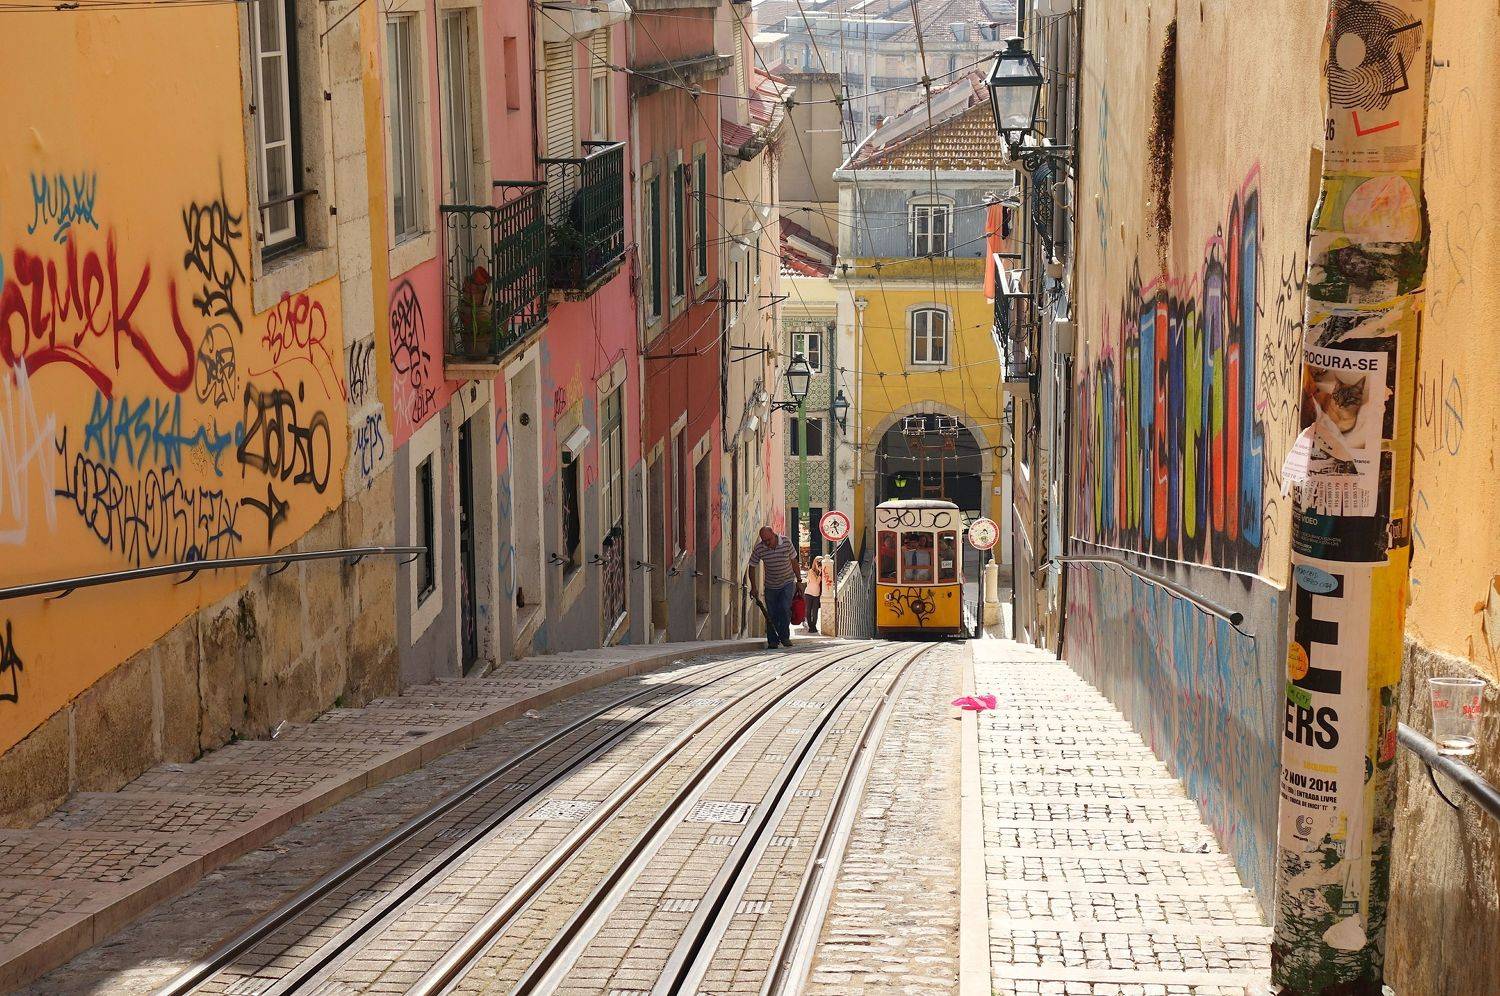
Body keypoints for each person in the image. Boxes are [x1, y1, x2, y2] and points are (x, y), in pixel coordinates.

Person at [747, 525, 801, 650]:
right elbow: (751, 566)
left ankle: (784, 637)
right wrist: (754, 587)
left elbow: (794, 561)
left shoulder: (786, 542)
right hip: (771, 585)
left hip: (787, 582)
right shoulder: (760, 548)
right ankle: (773, 641)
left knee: (784, 608)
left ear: (774, 535)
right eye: (764, 541)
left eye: (768, 540)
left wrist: (799, 581)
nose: (766, 543)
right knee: (771, 614)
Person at [803, 555, 825, 633]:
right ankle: (810, 627)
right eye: (818, 562)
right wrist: (820, 573)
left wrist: (821, 571)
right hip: (808, 594)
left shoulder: (822, 572)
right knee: (808, 611)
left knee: (815, 612)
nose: (819, 563)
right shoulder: (811, 571)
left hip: (816, 594)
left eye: (821, 562)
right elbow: (816, 582)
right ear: (814, 562)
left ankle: (813, 626)